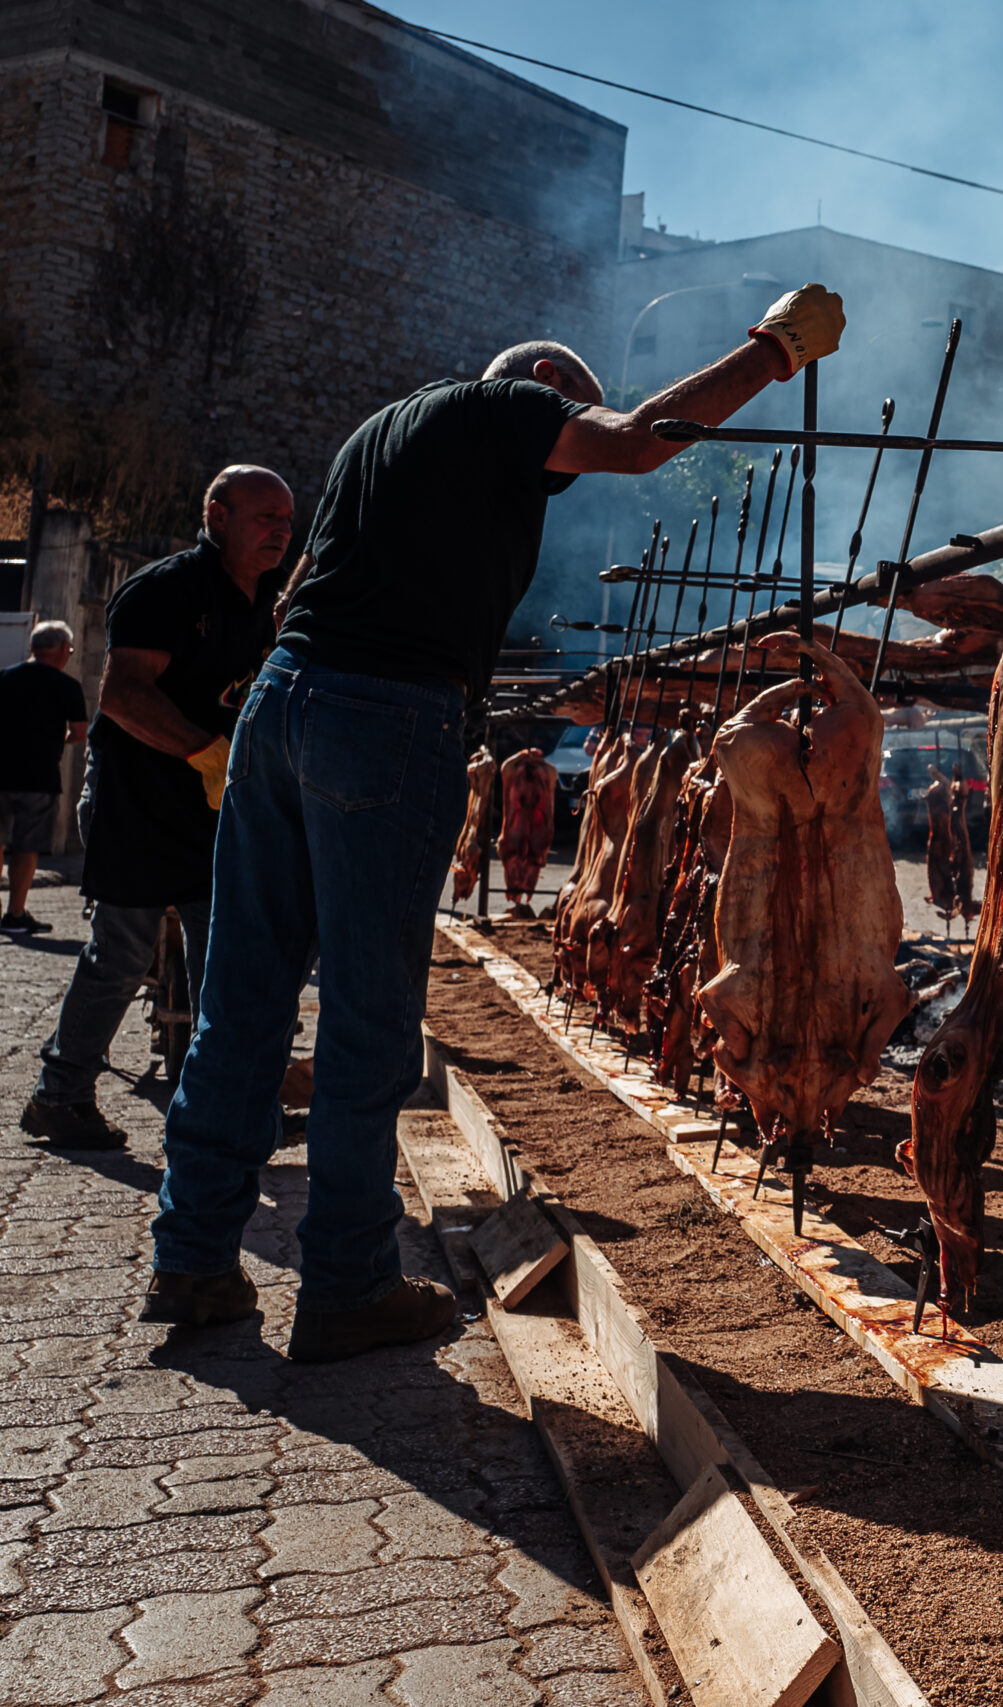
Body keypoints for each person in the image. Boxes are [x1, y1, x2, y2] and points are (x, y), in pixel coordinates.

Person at [146, 287, 844, 1359]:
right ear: (546, 386)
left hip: (286, 705)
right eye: (554, 453)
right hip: (386, 716)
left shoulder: (382, 435)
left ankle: (191, 1262)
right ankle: (345, 1286)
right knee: (369, 1019)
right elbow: (641, 442)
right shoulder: (504, 408)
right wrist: (774, 351)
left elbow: (290, 607)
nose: (553, 477)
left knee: (240, 1002)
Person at [19, 467, 295, 1149]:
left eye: (287, 520)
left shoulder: (274, 603)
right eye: (265, 517)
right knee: (122, 949)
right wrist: (207, 750)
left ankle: (223, 1106)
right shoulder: (165, 590)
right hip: (138, 798)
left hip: (216, 806)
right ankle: (61, 1094)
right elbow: (121, 695)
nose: (280, 531)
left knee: (224, 955)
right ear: (217, 515)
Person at [0, 620, 89, 934]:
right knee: (26, 848)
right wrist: (54, 739)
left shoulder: (4, 677)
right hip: (38, 777)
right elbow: (79, 733)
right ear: (64, 650)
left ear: (32, 648)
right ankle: (15, 914)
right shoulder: (67, 686)